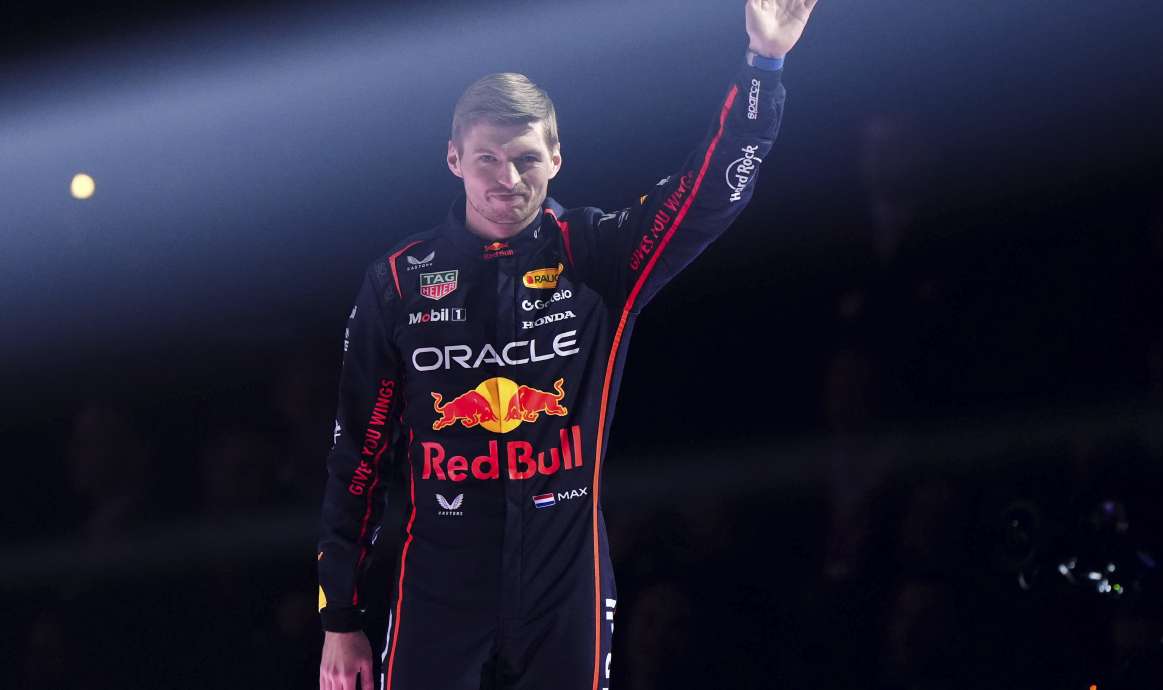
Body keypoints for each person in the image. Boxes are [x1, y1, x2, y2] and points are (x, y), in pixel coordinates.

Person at [317, 2, 818, 688]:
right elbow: (359, 458)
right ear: (454, 158)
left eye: (526, 159)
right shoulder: (398, 283)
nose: (508, 179)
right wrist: (340, 619)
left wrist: (764, 63)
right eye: (488, 158)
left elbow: (709, 194)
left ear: (556, 157)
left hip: (565, 579)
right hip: (439, 579)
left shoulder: (600, 253)